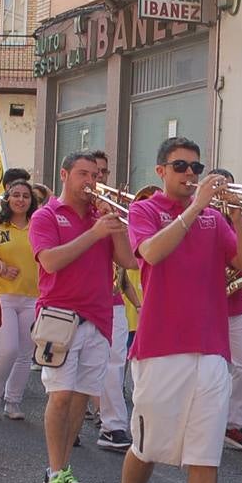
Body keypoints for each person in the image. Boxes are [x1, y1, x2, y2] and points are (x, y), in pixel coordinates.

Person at [109, 137, 242, 483]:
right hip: (160, 346)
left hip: (211, 347)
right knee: (147, 445)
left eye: (195, 166)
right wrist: (196, 208)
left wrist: (235, 214)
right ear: (161, 171)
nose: (190, 172)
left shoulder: (216, 218)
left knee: (205, 453)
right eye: (180, 165)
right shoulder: (145, 211)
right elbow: (150, 254)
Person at [31, 151, 136, 483]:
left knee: (79, 399)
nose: (91, 182)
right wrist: (94, 233)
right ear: (64, 175)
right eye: (83, 174)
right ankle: (53, 471)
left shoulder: (101, 217)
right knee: (60, 396)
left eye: (95, 175)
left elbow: (127, 261)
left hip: (99, 317)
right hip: (59, 317)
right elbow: (50, 260)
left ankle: (63, 468)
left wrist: (116, 225)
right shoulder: (46, 216)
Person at [90, 149, 136, 451]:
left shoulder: (113, 211)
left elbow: (130, 259)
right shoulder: (60, 210)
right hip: (75, 303)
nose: (99, 179)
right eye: (92, 173)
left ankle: (113, 426)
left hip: (113, 298)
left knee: (114, 363)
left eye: (103, 173)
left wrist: (118, 219)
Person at [0, 179, 40, 421]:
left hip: (33, 297)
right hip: (2, 295)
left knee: (25, 354)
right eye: (15, 195)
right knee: (7, 350)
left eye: (26, 196)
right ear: (7, 198)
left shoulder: (38, 225)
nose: (20, 199)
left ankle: (13, 401)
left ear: (32, 201)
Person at [211, 167, 242, 453]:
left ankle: (234, 424)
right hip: (205, 305)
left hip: (237, 304)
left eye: (228, 187)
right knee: (208, 369)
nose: (223, 192)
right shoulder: (199, 217)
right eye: (218, 187)